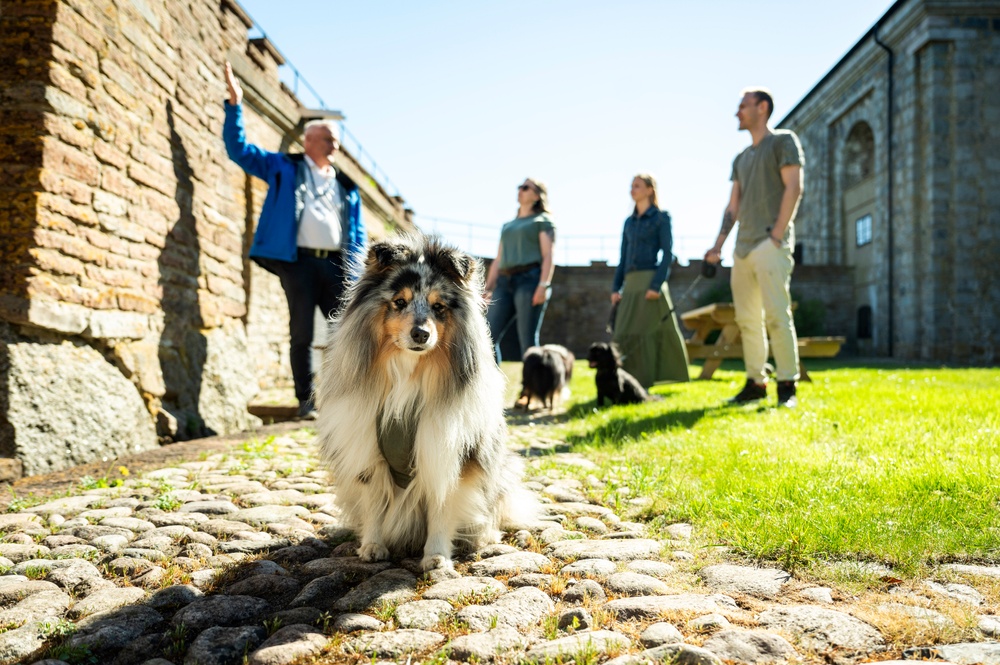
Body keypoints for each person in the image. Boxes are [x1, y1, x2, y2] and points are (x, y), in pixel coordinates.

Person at [222, 62, 366, 419]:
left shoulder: (347, 187)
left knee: (345, 330)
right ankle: (306, 401)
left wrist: (360, 264)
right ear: (309, 141)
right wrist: (234, 106)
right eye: (329, 139)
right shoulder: (283, 167)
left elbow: (358, 230)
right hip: (298, 262)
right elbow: (238, 150)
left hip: (337, 264)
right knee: (301, 330)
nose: (335, 145)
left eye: (336, 140)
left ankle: (343, 398)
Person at [704, 87, 804, 408]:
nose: (737, 112)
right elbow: (733, 206)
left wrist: (777, 234)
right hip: (742, 249)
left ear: (762, 107)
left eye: (742, 106)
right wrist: (718, 245)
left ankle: (787, 386)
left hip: (769, 243)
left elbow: (793, 187)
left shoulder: (783, 142)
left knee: (777, 315)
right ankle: (755, 383)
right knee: (747, 320)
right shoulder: (741, 159)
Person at [610, 174, 690, 389]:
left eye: (637, 186)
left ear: (649, 190)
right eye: (631, 185)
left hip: (650, 281)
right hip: (630, 282)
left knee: (648, 331)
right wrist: (615, 287)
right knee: (623, 331)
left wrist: (656, 285)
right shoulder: (629, 222)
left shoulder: (662, 217)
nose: (632, 189)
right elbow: (622, 257)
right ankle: (624, 382)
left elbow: (667, 254)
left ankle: (646, 381)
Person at [484, 178, 556, 363]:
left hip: (529, 281)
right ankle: (493, 386)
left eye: (526, 188)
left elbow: (548, 255)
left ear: (536, 195)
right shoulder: (507, 226)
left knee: (528, 341)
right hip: (504, 282)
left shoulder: (542, 221)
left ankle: (533, 389)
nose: (520, 190)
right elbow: (498, 259)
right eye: (520, 187)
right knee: (487, 336)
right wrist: (488, 288)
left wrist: (543, 285)